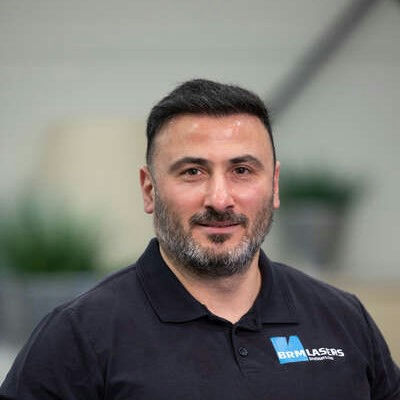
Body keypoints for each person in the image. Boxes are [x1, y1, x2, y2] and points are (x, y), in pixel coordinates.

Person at [1, 79, 399, 400]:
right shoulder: (77, 335)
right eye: (193, 172)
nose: (220, 200)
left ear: (274, 185)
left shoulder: (343, 318)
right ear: (149, 190)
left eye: (242, 170)